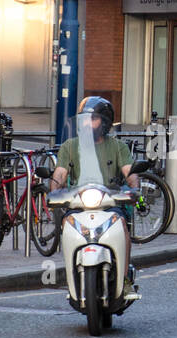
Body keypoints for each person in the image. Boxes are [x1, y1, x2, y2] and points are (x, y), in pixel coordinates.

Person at [51, 95, 140, 267]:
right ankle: (71, 271)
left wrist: (134, 188)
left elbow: (129, 173)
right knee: (66, 224)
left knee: (122, 226)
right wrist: (54, 191)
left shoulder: (117, 146)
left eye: (93, 119)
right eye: (84, 119)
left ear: (105, 122)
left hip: (109, 202)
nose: (86, 123)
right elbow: (60, 174)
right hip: (79, 202)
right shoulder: (70, 145)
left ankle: (125, 277)